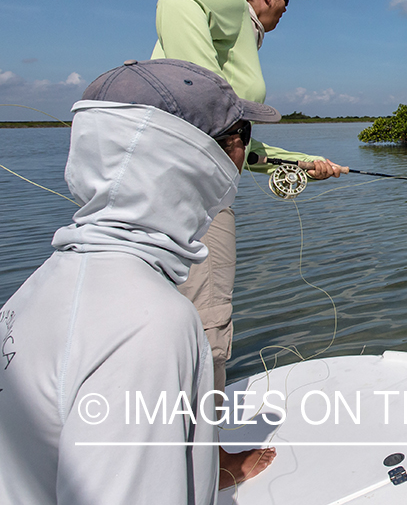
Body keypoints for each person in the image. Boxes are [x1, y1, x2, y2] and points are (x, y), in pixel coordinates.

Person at [0, 58, 279, 505]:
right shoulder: (150, 324)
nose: (244, 153)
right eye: (240, 135)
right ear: (201, 158)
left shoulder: (37, 288)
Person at [151, 0, 344, 397]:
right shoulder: (232, 5)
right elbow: (174, 3)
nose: (283, 11)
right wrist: (205, 93)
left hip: (170, 184)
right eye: (285, 1)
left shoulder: (233, 34)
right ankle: (212, 461)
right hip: (194, 197)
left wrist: (298, 163)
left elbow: (236, 145)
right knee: (206, 324)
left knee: (169, 321)